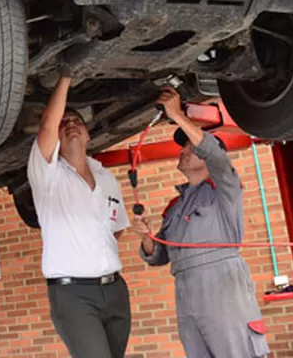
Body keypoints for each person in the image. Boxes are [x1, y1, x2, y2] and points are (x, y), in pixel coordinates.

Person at [134, 86, 270, 358]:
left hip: (222, 285)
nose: (182, 152)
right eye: (182, 147)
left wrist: (177, 115)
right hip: (186, 292)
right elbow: (161, 256)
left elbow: (217, 158)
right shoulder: (176, 206)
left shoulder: (225, 190)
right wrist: (147, 238)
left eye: (189, 147)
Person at [27, 75, 132, 358]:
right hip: (73, 295)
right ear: (58, 137)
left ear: (87, 135)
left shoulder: (106, 177)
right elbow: (48, 125)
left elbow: (117, 227)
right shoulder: (47, 174)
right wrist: (66, 77)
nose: (71, 124)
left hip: (115, 290)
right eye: (65, 123)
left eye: (78, 122)